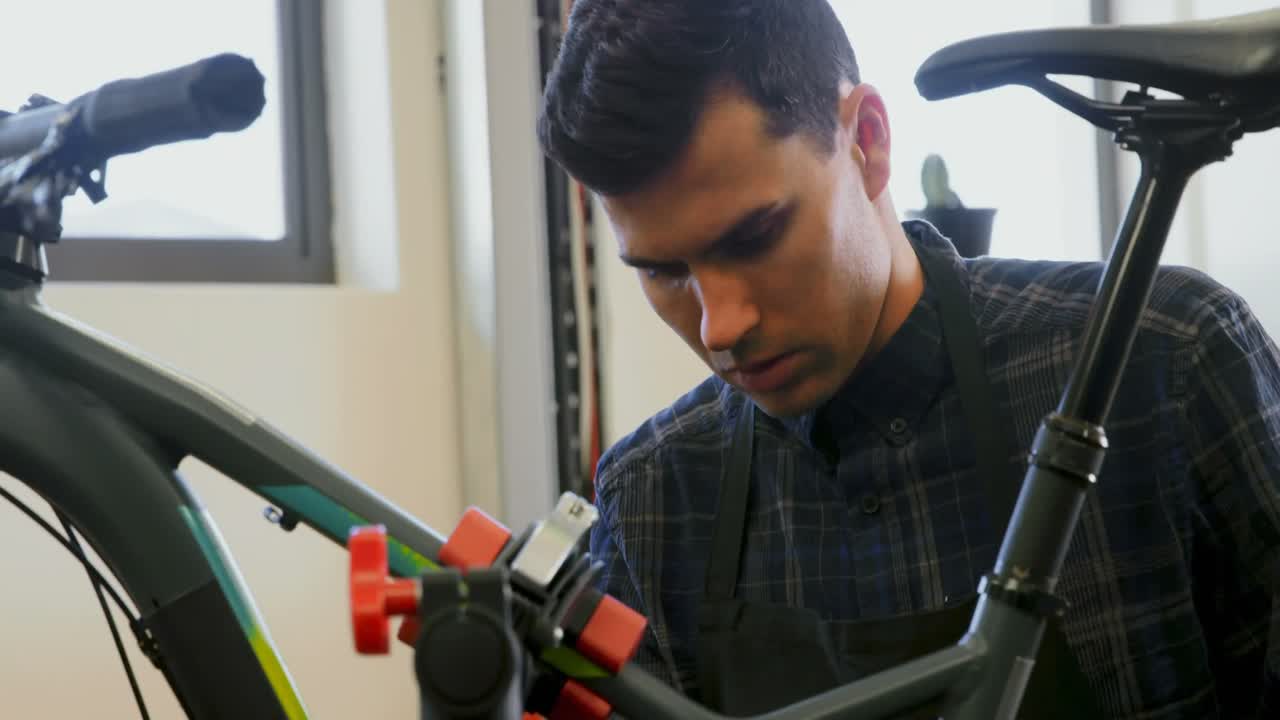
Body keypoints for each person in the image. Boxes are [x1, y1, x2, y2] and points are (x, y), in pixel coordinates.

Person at [536, 1, 1280, 718]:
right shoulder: (656, 500)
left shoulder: (1168, 363)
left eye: (753, 237)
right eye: (664, 271)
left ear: (868, 139)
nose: (722, 326)